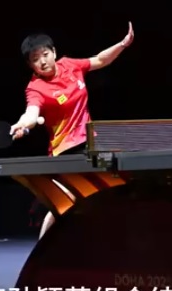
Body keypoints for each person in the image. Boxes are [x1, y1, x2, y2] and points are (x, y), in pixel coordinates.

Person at [10, 22, 134, 238]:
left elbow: (100, 60)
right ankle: (43, 248)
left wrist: (122, 44)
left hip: (91, 145)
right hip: (65, 151)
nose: (42, 61)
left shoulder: (70, 65)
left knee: (113, 188)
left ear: (54, 52)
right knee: (65, 201)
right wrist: (22, 124)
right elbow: (31, 113)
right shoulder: (36, 88)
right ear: (30, 65)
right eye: (35, 59)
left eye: (45, 55)